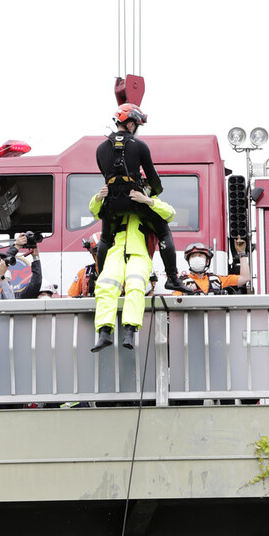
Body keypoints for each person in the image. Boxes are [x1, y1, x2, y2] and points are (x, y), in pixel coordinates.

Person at [95, 104, 181, 291]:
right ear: (132, 124)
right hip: (135, 202)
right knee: (164, 232)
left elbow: (106, 175)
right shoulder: (139, 146)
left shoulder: (100, 149)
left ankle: (100, 278)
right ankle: (173, 278)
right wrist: (152, 195)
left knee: (104, 238)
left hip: (111, 204)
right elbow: (153, 178)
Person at [88, 184, 175, 353]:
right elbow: (95, 210)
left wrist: (147, 201)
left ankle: (130, 330)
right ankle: (104, 332)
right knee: (105, 286)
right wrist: (99, 196)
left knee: (135, 285)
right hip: (117, 250)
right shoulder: (115, 201)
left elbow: (170, 213)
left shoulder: (151, 202)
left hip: (140, 252)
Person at [167, 238, 251, 295]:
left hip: (215, 320)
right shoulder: (181, 283)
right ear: (189, 261)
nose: (196, 258)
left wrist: (242, 253)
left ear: (207, 261)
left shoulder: (217, 280)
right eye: (193, 256)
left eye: (200, 255)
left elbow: (245, 278)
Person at [68, 233, 100, 298]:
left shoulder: (120, 271)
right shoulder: (84, 273)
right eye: (97, 253)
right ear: (93, 254)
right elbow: (70, 298)